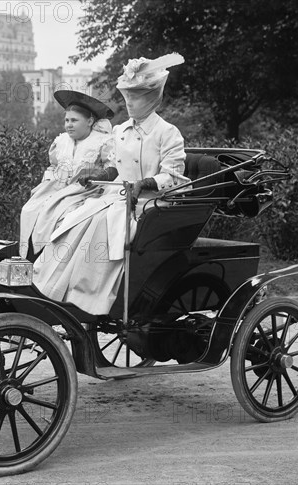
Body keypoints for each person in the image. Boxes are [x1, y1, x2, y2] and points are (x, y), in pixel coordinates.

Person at [32, 53, 192, 315]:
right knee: (74, 218)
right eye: (127, 96)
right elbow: (117, 167)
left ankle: (88, 295)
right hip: (118, 195)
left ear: (152, 98)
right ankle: (53, 286)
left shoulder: (167, 132)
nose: (129, 103)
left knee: (99, 224)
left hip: (151, 201)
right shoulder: (121, 131)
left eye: (136, 96)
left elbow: (173, 176)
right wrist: (99, 174)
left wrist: (146, 182)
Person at [19, 90, 115, 259]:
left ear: (90, 121)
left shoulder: (102, 141)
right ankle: (29, 257)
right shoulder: (62, 141)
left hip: (84, 190)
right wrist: (45, 183)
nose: (69, 125)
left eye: (74, 120)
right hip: (56, 187)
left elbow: (113, 167)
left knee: (62, 215)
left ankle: (50, 259)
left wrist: (98, 175)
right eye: (67, 120)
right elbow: (52, 166)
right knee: (30, 209)